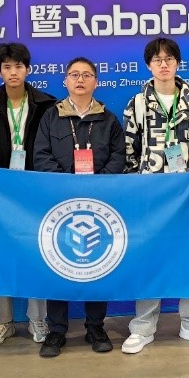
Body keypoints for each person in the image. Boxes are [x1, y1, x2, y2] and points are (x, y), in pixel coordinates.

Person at [121, 38, 189, 354]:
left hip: (185, 191)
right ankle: (143, 327)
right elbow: (129, 150)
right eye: (157, 59)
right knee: (149, 256)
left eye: (169, 59)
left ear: (177, 63)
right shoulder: (137, 103)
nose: (163, 64)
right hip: (150, 193)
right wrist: (136, 185)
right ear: (148, 65)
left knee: (188, 254)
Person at [33, 57, 125, 357]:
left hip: (99, 204)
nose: (80, 80)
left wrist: (100, 184)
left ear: (96, 81)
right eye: (74, 75)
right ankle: (56, 330)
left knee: (96, 263)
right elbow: (41, 155)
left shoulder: (108, 119)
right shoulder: (51, 117)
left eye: (86, 75)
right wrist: (66, 185)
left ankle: (95, 327)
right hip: (61, 204)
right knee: (58, 264)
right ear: (65, 81)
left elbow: (118, 156)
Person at [0, 43, 55, 347]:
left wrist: (33, 183)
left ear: (28, 69)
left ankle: (38, 318)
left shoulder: (46, 104)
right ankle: (3, 321)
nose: (13, 72)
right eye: (7, 67)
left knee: (38, 253)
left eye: (18, 66)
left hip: (35, 192)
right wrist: (2, 184)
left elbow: (50, 148)